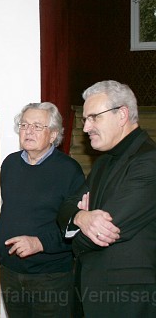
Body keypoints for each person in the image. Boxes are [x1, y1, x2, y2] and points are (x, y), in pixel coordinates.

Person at [57, 80, 156, 317]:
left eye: (94, 117)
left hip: (126, 298)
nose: (86, 127)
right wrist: (81, 217)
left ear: (122, 115)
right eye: (85, 119)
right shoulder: (103, 162)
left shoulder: (149, 161)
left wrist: (76, 235)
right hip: (90, 290)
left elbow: (106, 231)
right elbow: (64, 208)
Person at [0, 102, 85, 317]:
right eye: (24, 125)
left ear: (53, 134)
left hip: (50, 277)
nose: (28, 131)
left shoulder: (68, 170)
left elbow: (76, 225)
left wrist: (39, 243)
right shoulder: (9, 164)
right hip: (10, 271)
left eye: (37, 126)